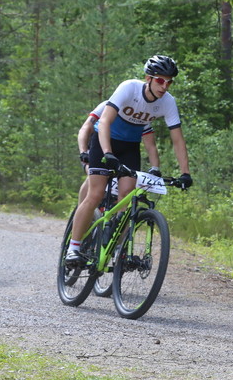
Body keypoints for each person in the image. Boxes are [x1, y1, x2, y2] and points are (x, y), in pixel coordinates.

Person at [65, 55, 192, 264]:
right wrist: (107, 153)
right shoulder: (129, 88)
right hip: (104, 141)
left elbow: (177, 139)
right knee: (96, 193)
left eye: (169, 82)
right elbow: (104, 122)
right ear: (148, 78)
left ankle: (116, 248)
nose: (165, 86)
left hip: (130, 147)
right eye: (160, 80)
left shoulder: (168, 102)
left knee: (127, 197)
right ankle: (74, 247)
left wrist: (185, 173)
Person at [76, 100, 161, 204]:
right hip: (94, 148)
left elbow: (151, 145)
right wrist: (83, 151)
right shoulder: (106, 105)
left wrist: (155, 168)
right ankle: (79, 210)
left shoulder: (139, 114)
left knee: (125, 188)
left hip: (122, 151)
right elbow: (85, 128)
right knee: (94, 178)